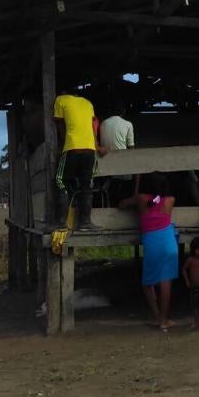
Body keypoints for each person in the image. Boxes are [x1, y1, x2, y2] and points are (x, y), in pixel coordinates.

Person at [118, 172, 178, 330]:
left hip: (152, 242)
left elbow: (122, 204)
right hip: (168, 240)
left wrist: (136, 189)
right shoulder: (170, 200)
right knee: (166, 281)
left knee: (148, 283)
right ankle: (164, 319)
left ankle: (157, 317)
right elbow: (158, 200)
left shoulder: (141, 199)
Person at [53, 89, 107, 230]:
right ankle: (85, 223)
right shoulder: (88, 103)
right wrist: (97, 145)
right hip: (90, 149)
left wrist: (62, 145)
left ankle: (61, 223)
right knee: (86, 184)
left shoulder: (61, 99)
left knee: (61, 181)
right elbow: (92, 127)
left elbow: (60, 126)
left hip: (72, 147)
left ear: (64, 90)